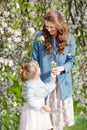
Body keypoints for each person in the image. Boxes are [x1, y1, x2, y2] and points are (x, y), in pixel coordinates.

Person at [32, 10, 76, 130]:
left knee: (58, 123)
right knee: (44, 122)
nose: (49, 30)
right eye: (47, 27)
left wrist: (62, 68)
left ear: (59, 25)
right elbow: (34, 59)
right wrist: (35, 72)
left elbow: (71, 61)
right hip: (44, 84)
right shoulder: (39, 37)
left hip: (61, 86)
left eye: (52, 27)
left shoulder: (70, 39)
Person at [18, 60, 56, 130]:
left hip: (40, 111)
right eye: (38, 67)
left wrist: (52, 78)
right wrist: (42, 106)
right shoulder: (30, 87)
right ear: (35, 74)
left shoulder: (36, 81)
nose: (39, 68)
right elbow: (30, 101)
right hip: (33, 113)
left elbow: (45, 89)